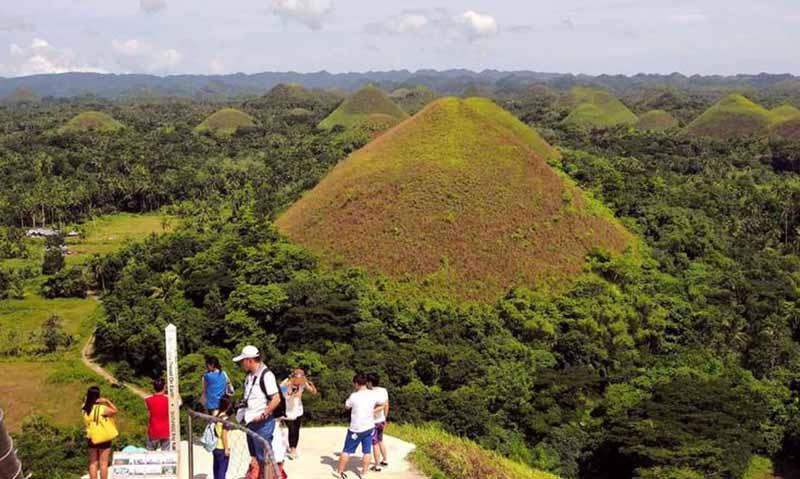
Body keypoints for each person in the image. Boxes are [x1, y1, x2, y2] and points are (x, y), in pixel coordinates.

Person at [233, 345, 281, 479]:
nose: (242, 364)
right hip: (252, 423)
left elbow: (276, 399)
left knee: (265, 458)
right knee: (257, 457)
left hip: (263, 424)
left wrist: (263, 415)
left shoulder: (266, 375)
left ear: (249, 360)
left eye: (243, 361)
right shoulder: (250, 376)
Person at [336, 373, 384, 479]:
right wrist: (373, 410)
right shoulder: (373, 394)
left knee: (346, 451)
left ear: (357, 384)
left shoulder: (354, 396)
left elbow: (347, 406)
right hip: (369, 427)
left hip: (355, 429)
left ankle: (340, 471)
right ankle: (364, 473)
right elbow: (382, 403)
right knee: (367, 451)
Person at [280, 367, 318, 459]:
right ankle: (291, 448)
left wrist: (311, 385)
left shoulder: (303, 383)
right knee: (291, 429)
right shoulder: (286, 382)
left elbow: (314, 392)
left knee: (296, 430)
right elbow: (280, 394)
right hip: (288, 409)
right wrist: (291, 393)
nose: (299, 382)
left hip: (298, 409)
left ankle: (293, 449)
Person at [82, 386, 118, 479]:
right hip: (103, 437)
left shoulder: (85, 409)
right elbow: (115, 411)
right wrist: (107, 401)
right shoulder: (102, 408)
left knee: (93, 462)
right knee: (103, 463)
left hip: (91, 436)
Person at [367, 372, 390, 471]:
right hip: (381, 420)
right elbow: (386, 405)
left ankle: (376, 465)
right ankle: (384, 460)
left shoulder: (369, 393)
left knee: (374, 443)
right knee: (380, 440)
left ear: (370, 382)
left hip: (373, 422)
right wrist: (385, 418)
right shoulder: (383, 390)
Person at [145, 378, 171, 451]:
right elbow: (180, 402)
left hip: (153, 430)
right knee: (166, 454)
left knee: (150, 453)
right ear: (164, 387)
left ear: (153, 387)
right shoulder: (169, 400)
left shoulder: (148, 400)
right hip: (166, 430)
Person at [212, 397, 232, 479]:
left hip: (215, 445)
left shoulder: (216, 414)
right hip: (221, 446)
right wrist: (226, 448)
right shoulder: (225, 419)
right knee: (222, 470)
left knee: (216, 468)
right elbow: (224, 435)